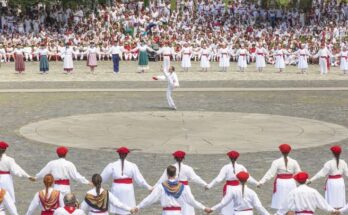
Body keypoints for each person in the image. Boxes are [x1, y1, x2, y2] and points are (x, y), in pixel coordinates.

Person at [135, 165, 211, 214]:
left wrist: (138, 206)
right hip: (178, 212)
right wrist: (204, 208)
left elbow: (150, 199)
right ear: (176, 174)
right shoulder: (182, 187)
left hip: (166, 212)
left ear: (167, 174)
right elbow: (191, 201)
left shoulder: (161, 187)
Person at [100, 147, 152, 215]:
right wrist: (148, 186)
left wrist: (95, 183)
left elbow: (102, 177)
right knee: (128, 208)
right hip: (128, 189)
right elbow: (139, 179)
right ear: (126, 154)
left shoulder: (112, 165)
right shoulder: (132, 166)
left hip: (117, 188)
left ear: (118, 154)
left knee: (117, 207)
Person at [206, 151, 259, 215]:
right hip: (239, 187)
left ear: (229, 157)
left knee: (226, 204)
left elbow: (218, 179)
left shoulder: (226, 167)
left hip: (229, 188)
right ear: (237, 158)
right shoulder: (241, 167)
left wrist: (209, 186)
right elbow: (248, 177)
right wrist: (257, 183)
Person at [155, 150, 207, 215]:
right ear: (183, 158)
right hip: (185, 189)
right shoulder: (188, 168)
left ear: (174, 158)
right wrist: (205, 184)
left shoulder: (170, 167)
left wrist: (154, 187)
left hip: (172, 188)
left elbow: (162, 179)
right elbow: (195, 178)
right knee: (188, 207)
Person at [258, 143, 301, 210]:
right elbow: (299, 173)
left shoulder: (276, 162)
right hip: (291, 182)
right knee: (291, 201)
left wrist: (261, 182)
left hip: (280, 183)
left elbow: (270, 173)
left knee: (281, 201)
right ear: (289, 151)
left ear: (281, 151)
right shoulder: (294, 162)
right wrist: (306, 181)